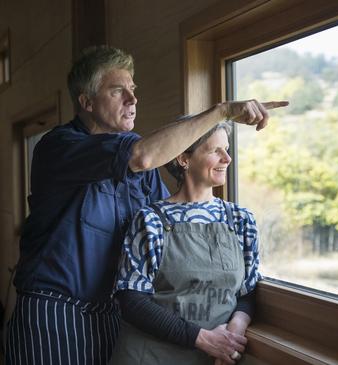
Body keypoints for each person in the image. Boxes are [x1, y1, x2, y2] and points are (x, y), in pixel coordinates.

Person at [4, 45, 287, 365]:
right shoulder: (59, 147)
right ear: (86, 101)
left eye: (133, 90)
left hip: (114, 315)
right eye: (117, 90)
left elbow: (166, 228)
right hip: (54, 312)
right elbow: (142, 156)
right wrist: (222, 112)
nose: (132, 99)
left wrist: (226, 307)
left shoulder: (142, 165)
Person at [110, 121, 257, 365]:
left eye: (227, 149)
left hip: (211, 357)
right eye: (215, 151)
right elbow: (131, 300)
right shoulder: (150, 220)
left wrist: (234, 333)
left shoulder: (242, 221)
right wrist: (203, 338)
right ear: (183, 159)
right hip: (148, 357)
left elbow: (248, 292)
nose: (228, 158)